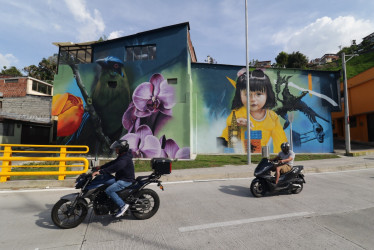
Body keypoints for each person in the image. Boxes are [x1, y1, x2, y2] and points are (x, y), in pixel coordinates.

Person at [221, 69, 287, 152]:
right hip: (238, 153)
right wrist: (236, 122)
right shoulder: (239, 113)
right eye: (247, 94)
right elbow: (229, 125)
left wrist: (281, 156)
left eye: (258, 94)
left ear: (268, 94)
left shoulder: (272, 117)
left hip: (259, 153)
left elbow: (280, 141)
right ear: (240, 95)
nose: (252, 99)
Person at [91, 139, 135, 218]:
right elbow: (113, 163)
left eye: (117, 148)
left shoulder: (124, 159)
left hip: (126, 180)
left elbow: (115, 167)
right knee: (104, 181)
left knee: (109, 190)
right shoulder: (122, 156)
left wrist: (101, 172)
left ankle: (122, 206)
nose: (115, 149)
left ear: (122, 149)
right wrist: (100, 167)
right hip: (120, 178)